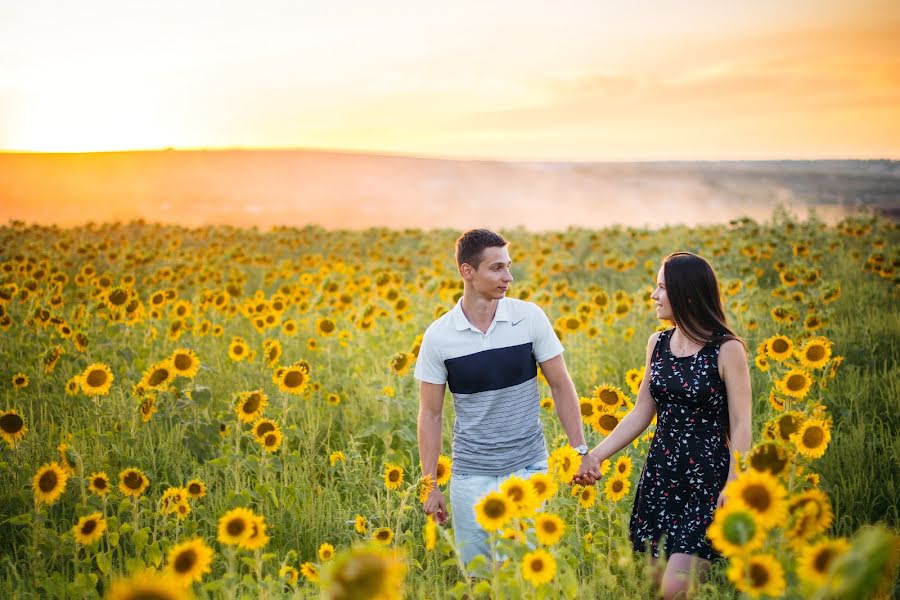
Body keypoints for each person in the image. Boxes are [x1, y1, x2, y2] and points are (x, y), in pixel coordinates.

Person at [415, 228, 599, 569]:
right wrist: (431, 485)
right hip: (471, 474)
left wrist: (580, 450)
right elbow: (430, 413)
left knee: (522, 573)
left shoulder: (529, 317)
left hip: (528, 469)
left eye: (508, 266)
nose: (508, 277)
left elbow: (560, 384)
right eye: (497, 268)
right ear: (467, 271)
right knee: (478, 576)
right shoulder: (439, 336)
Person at [576, 251, 751, 600]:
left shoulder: (727, 349)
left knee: (675, 590)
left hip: (706, 481)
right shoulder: (658, 344)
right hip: (661, 477)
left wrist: (734, 483)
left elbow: (742, 422)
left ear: (686, 294)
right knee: (656, 587)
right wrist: (595, 455)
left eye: (660, 287)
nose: (653, 296)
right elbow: (642, 412)